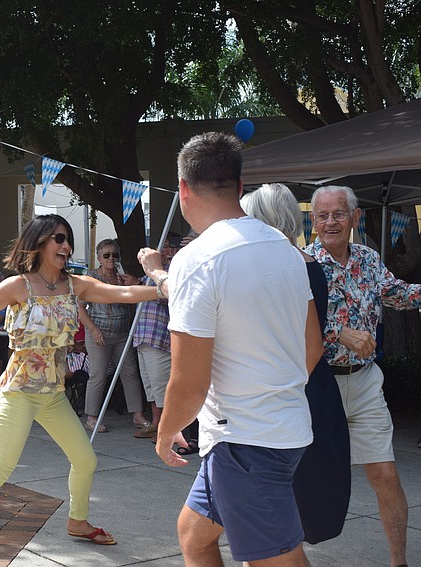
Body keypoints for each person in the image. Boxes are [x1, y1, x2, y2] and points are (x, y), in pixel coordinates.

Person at [139, 132, 323, 567]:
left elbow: (189, 379)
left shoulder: (196, 259)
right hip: (278, 429)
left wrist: (165, 432)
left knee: (278, 559)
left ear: (183, 188)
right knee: (193, 533)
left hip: (246, 441)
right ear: (240, 188)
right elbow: (311, 346)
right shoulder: (287, 249)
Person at [0, 214, 160, 566]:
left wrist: (163, 285)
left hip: (53, 395)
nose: (66, 246)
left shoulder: (75, 285)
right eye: (59, 238)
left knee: (85, 459)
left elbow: (125, 292)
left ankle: (77, 521)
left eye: (68, 239)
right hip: (20, 392)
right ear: (39, 241)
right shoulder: (18, 286)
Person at [304, 184, 417, 567]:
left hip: (366, 381)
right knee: (304, 477)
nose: (331, 222)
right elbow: (284, 322)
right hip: (320, 385)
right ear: (314, 221)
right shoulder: (302, 264)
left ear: (354, 218)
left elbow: (397, 292)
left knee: (385, 473)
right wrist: (339, 333)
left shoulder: (368, 258)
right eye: (323, 216)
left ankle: (398, 563)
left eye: (338, 214)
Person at [242, 183, 351, 544]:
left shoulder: (282, 267)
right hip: (308, 387)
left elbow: (311, 346)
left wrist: (278, 393)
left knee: (276, 510)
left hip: (293, 390)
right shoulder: (308, 265)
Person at [81, 239, 147, 433]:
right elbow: (80, 309)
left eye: (114, 255)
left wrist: (127, 288)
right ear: (99, 258)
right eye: (106, 255)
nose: (111, 258)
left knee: (130, 373)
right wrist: (93, 330)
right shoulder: (91, 277)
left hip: (122, 333)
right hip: (99, 332)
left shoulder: (122, 276)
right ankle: (92, 417)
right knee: (98, 375)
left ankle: (137, 415)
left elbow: (133, 302)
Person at [131, 235, 191, 449]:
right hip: (143, 334)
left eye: (169, 246)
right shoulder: (155, 270)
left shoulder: (172, 271)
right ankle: (156, 424)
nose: (165, 250)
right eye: (163, 246)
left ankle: (168, 430)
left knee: (162, 386)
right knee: (151, 387)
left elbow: (172, 296)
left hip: (159, 335)